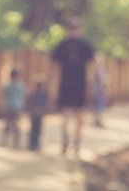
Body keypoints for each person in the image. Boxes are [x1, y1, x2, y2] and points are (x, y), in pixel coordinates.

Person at [50, 17, 95, 156]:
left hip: (80, 85)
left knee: (80, 116)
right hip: (66, 85)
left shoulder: (85, 45)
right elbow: (56, 67)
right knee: (65, 115)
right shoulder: (62, 45)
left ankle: (76, 142)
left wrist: (90, 85)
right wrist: (54, 87)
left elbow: (91, 66)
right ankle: (65, 141)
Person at [1, 67, 26, 148]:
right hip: (16, 107)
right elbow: (23, 96)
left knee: (9, 125)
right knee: (15, 125)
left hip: (10, 107)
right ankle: (16, 143)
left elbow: (4, 94)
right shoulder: (20, 85)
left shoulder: (8, 85)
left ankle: (6, 141)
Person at [26, 75, 49, 151]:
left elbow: (46, 104)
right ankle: (32, 144)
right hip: (34, 113)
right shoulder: (33, 93)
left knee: (38, 130)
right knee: (33, 129)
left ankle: (36, 145)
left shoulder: (44, 94)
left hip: (39, 114)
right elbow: (29, 102)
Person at [91, 52, 108, 127]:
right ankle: (96, 120)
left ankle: (98, 120)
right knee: (96, 105)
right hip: (96, 88)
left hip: (99, 88)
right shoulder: (94, 69)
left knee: (100, 105)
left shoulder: (102, 69)